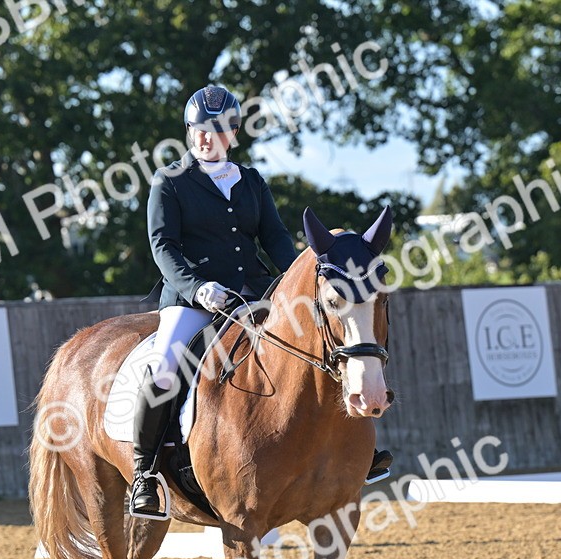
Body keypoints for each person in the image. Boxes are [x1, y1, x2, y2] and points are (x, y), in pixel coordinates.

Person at [129, 85, 391, 517]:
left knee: (322, 349)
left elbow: (274, 239)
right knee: (163, 368)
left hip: (255, 292)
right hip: (194, 299)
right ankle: (146, 474)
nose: (205, 138)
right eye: (198, 130)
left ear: (232, 133)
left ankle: (354, 455)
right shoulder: (170, 182)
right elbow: (163, 246)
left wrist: (302, 283)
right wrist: (196, 287)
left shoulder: (250, 181)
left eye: (216, 130)